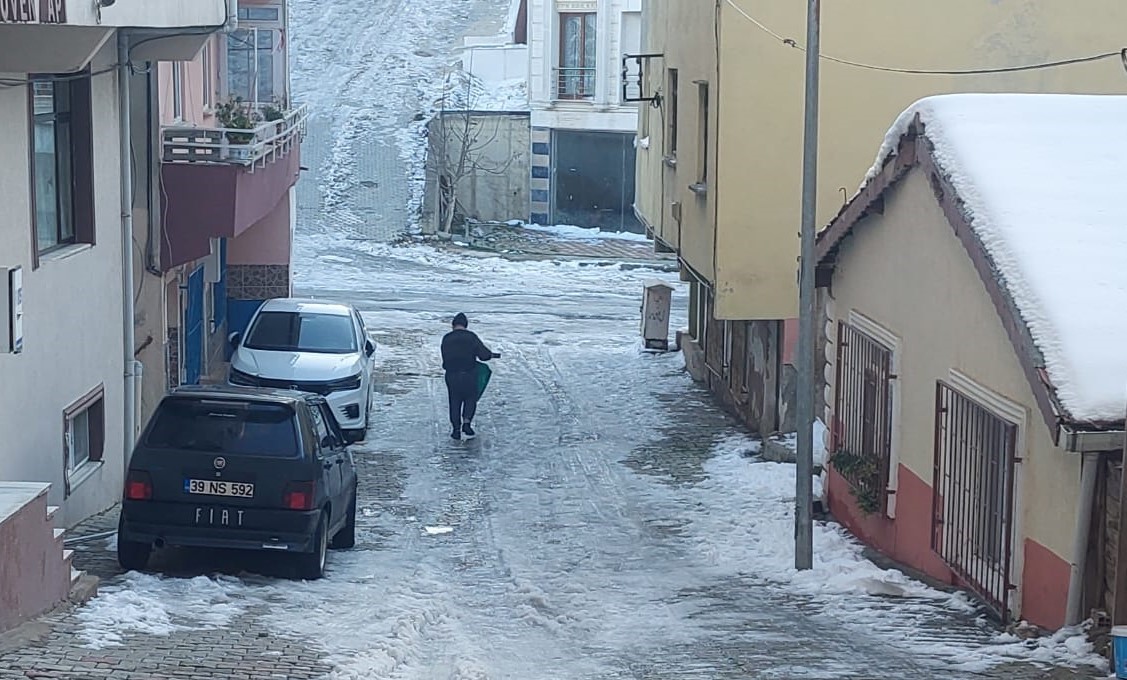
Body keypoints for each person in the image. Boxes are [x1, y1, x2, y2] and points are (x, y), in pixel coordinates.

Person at [441, 313, 499, 440]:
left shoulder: (446, 338)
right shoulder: (471, 337)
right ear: (466, 325)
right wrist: (492, 355)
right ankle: (467, 422)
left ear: (453, 325)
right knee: (470, 398)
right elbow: (483, 355)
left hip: (452, 375)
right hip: (469, 374)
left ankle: (456, 429)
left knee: (454, 400)